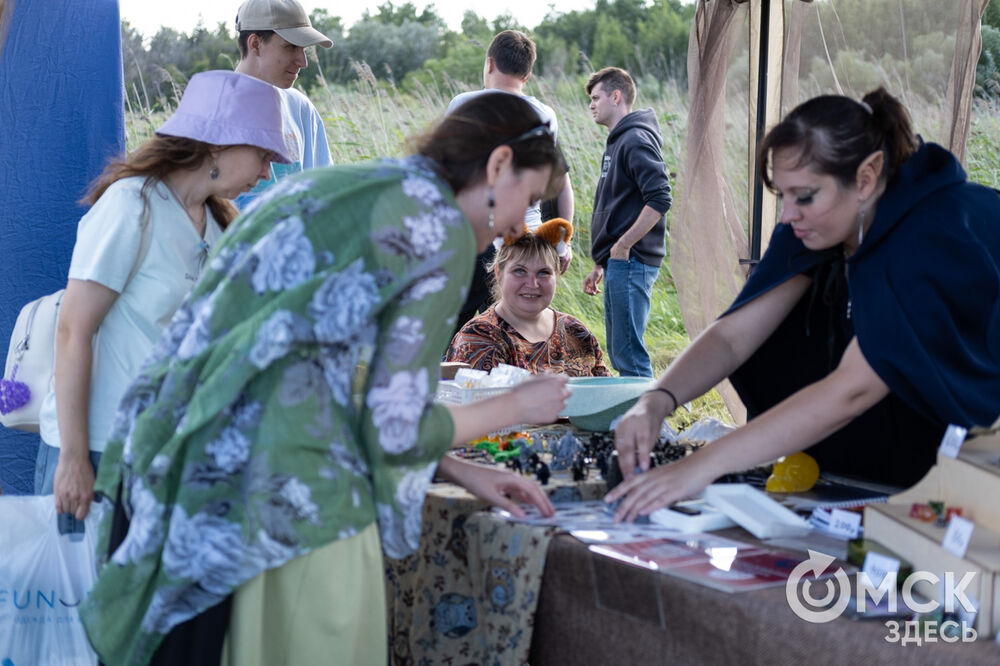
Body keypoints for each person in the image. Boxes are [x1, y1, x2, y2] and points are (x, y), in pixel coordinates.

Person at [79, 92, 570, 666]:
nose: (521, 224)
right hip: (287, 503)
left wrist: (455, 468)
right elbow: (393, 428)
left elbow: (321, 378)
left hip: (184, 467)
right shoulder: (440, 233)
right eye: (528, 199)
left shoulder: (351, 189)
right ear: (496, 165)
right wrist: (514, 405)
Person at [607, 88, 1000, 522]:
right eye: (783, 195)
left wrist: (700, 467)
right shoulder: (823, 221)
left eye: (805, 196)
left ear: (866, 178)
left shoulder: (931, 236)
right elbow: (734, 337)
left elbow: (853, 389)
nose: (788, 214)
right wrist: (657, 400)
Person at [35, 71, 291, 522]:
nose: (267, 171)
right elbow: (74, 330)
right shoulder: (131, 205)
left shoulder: (215, 222)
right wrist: (74, 459)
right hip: (99, 451)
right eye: (263, 153)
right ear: (218, 143)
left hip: (164, 452)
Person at [447, 29, 576, 332]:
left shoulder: (463, 105)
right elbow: (559, 184)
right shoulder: (544, 115)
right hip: (521, 240)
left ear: (489, 64)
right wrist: (561, 243)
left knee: (458, 337)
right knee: (512, 333)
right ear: (527, 76)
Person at [582, 66, 672, 379]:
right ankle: (629, 423)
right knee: (620, 350)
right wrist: (602, 260)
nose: (591, 105)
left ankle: (648, 424)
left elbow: (660, 199)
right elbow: (617, 206)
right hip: (617, 261)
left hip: (632, 260)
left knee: (630, 355)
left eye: (596, 97)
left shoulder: (635, 139)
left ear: (616, 96)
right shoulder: (617, 141)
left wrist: (623, 246)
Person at [447, 222, 610, 377]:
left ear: (557, 275)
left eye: (543, 272)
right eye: (519, 271)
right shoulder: (479, 338)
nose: (533, 284)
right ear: (498, 273)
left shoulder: (575, 331)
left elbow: (608, 394)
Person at [233, 0, 333, 210]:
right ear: (255, 44)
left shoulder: (301, 108)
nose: (303, 62)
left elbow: (322, 195)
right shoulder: (210, 110)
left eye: (303, 49)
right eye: (291, 47)